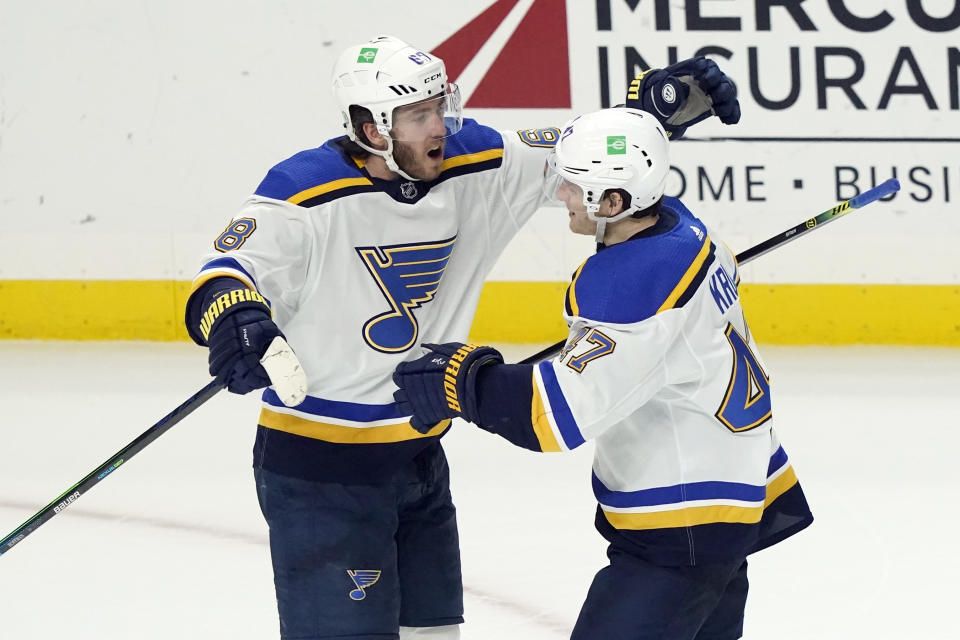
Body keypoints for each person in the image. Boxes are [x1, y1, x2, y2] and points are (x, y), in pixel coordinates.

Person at [183, 34, 741, 640]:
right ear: (372, 128)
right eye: (419, 115)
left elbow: (588, 170)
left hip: (418, 454)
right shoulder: (303, 189)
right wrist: (234, 314)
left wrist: (647, 121)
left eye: (439, 105)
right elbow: (229, 269)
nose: (440, 126)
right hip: (323, 474)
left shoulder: (475, 159)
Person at [392, 108, 813, 640]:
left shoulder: (634, 286)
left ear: (613, 202)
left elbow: (554, 416)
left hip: (680, 527)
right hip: (726, 497)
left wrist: (466, 378)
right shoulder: (682, 231)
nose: (563, 194)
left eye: (575, 185)